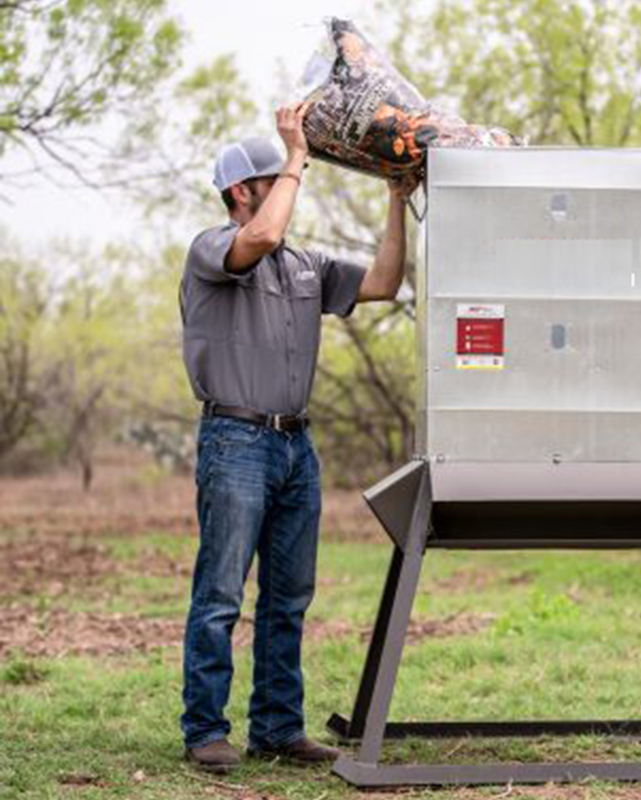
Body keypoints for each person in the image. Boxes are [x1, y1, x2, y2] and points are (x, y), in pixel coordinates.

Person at [178, 102, 411, 774]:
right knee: (221, 593)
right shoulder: (213, 249)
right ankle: (205, 731)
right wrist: (298, 155)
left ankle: (278, 729)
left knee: (289, 596)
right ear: (239, 193)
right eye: (271, 179)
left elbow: (384, 283)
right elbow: (255, 239)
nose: (286, 188)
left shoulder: (304, 266)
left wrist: (396, 202)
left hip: (293, 449)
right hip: (235, 442)